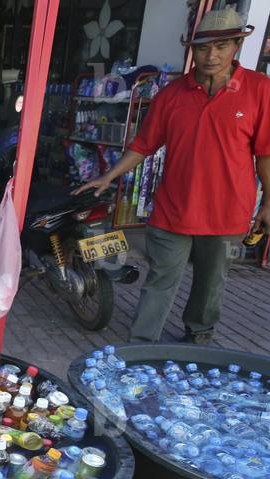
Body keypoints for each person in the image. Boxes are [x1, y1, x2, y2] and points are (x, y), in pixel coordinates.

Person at [75, 9, 270, 344]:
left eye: (221, 46)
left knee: (211, 283)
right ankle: (142, 342)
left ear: (237, 45)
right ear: (192, 49)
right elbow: (143, 145)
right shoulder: (172, 95)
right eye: (204, 48)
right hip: (173, 209)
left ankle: (199, 336)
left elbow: (265, 152)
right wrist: (108, 177)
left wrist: (268, 201)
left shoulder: (259, 89)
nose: (212, 56)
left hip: (228, 212)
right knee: (161, 277)